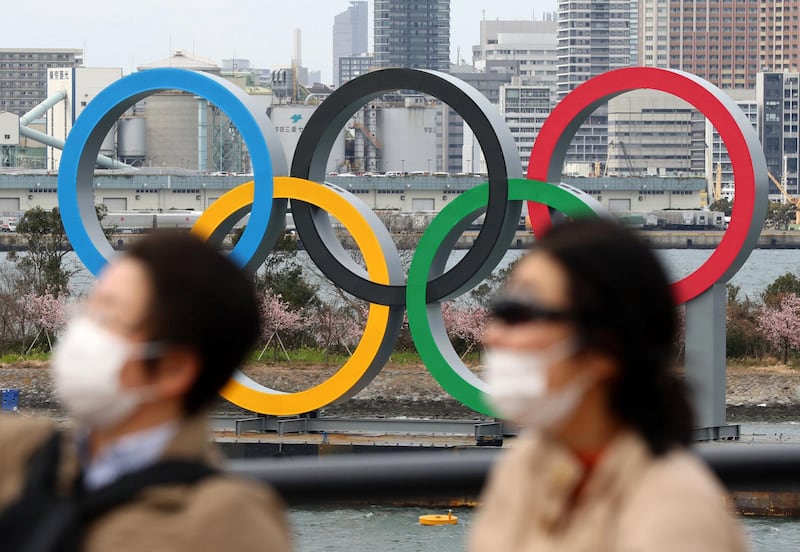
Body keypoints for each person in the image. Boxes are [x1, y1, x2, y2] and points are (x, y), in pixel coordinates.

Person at [0, 231, 292, 551]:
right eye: (88, 312)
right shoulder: (24, 453)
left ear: (173, 369)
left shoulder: (225, 525)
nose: (82, 333)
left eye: (108, 318)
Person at [469, 218, 746, 552]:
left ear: (604, 347)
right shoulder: (524, 468)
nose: (495, 334)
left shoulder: (674, 511)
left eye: (521, 314)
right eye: (499, 312)